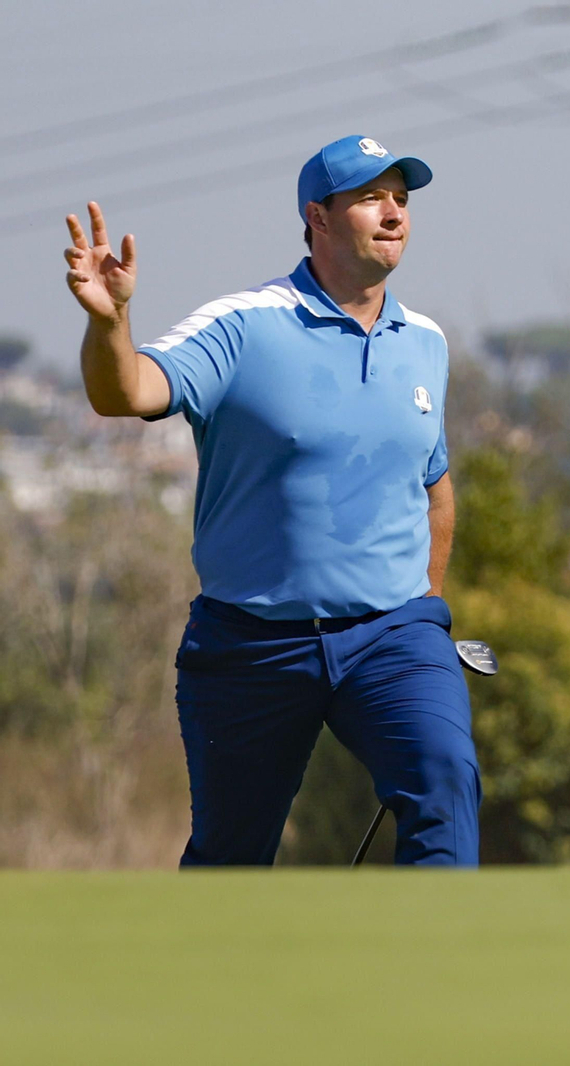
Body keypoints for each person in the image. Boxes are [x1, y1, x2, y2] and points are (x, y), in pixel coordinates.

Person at [63, 135, 480, 866]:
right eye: (369, 198)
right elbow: (124, 392)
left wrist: (424, 614)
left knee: (444, 780)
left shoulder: (427, 343)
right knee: (231, 860)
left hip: (392, 637)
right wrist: (109, 323)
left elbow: (434, 489)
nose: (394, 215)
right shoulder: (243, 325)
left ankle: (430, 974)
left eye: (402, 200)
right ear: (318, 216)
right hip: (253, 645)